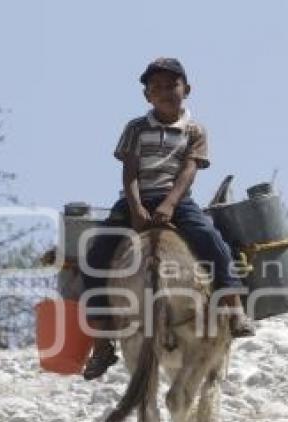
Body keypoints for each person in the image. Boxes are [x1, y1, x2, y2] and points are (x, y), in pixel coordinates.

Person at [81, 57, 255, 381]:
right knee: (96, 256)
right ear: (147, 96)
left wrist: (170, 205)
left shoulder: (195, 130)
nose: (164, 92)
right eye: (156, 87)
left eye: (171, 85)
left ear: (186, 90)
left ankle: (233, 308)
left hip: (178, 200)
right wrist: (135, 209)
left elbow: (189, 171)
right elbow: (129, 170)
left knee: (212, 241)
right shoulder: (135, 128)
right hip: (134, 200)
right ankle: (102, 342)